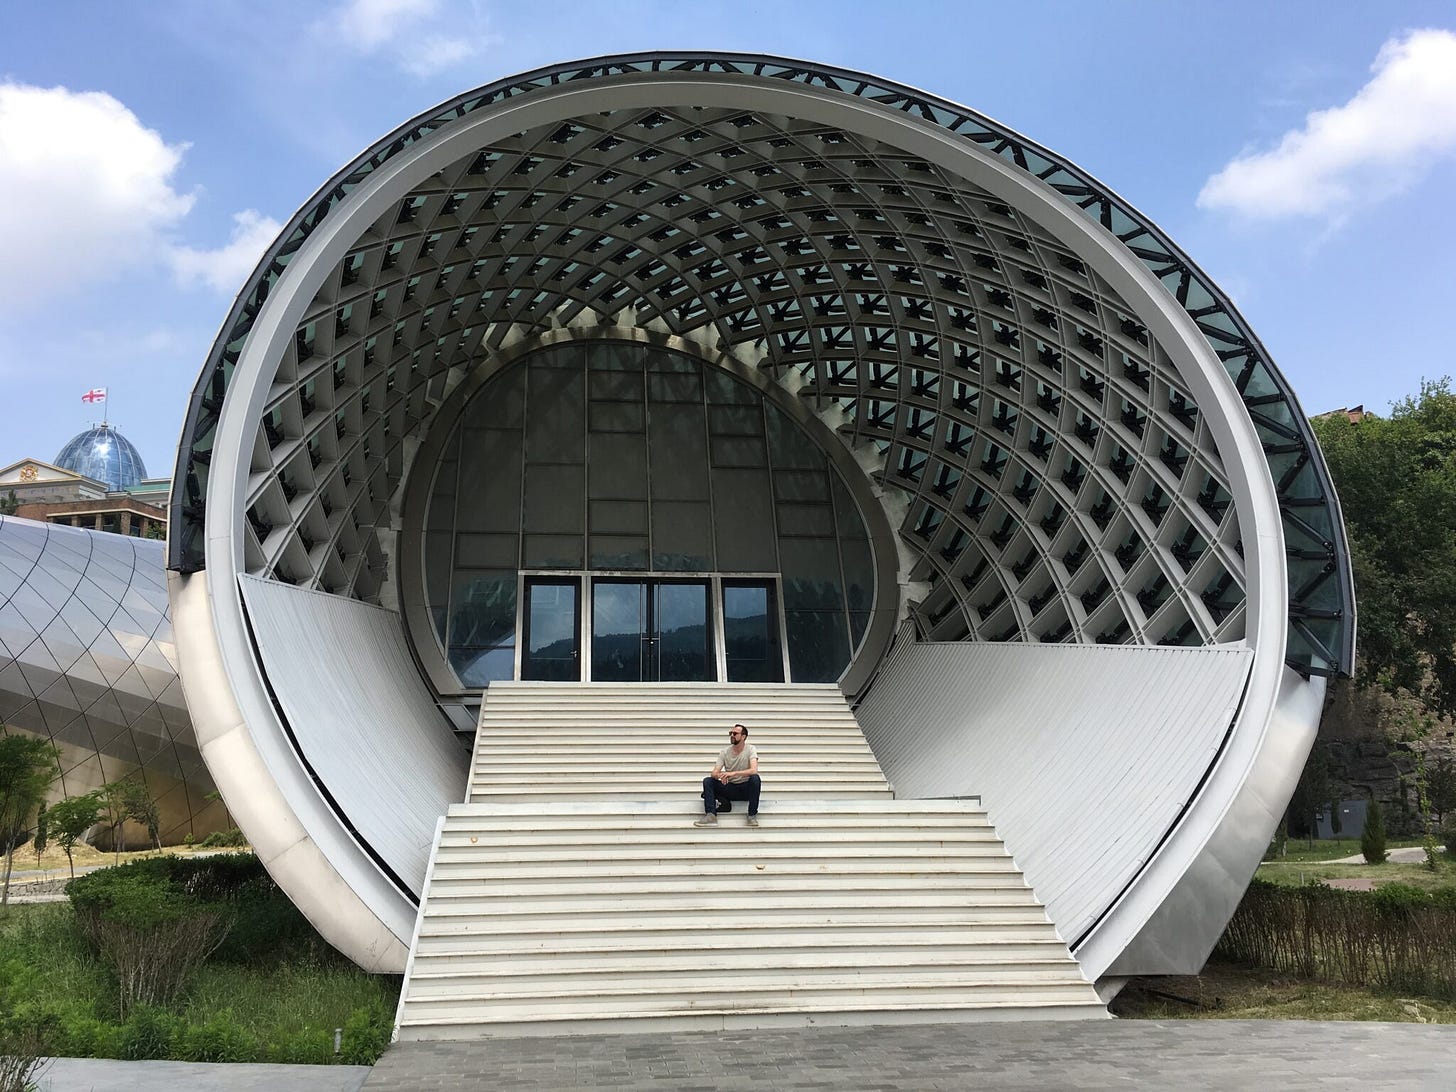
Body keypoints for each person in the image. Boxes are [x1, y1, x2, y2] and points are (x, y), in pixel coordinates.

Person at [694, 723, 760, 827]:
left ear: (743, 737)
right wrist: (721, 776)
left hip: (746, 788)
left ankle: (752, 815)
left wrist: (733, 773)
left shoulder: (751, 749)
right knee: (708, 781)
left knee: (755, 779)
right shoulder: (724, 752)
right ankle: (711, 815)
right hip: (731, 788)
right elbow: (714, 773)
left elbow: (754, 770)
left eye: (735, 733)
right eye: (730, 733)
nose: (732, 735)